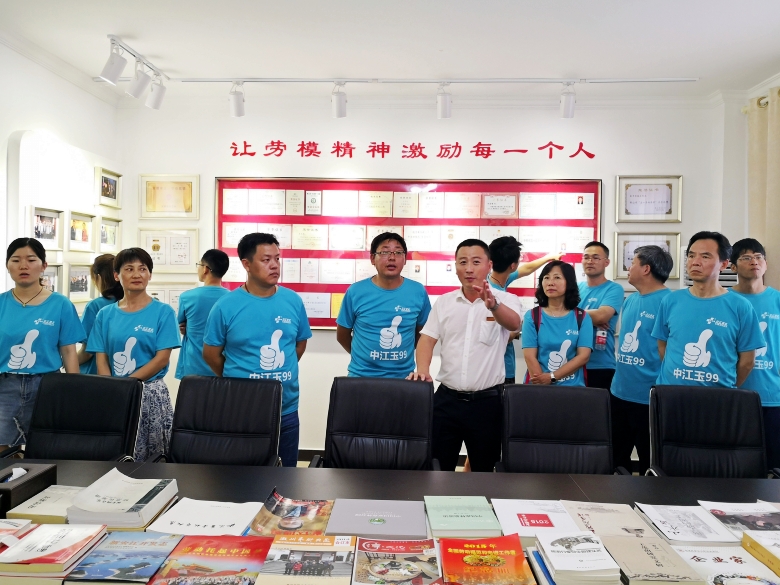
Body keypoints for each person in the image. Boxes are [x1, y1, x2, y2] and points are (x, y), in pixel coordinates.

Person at [407, 239, 521, 472]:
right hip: (447, 401)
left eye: (476, 262)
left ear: (489, 265)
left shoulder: (507, 300)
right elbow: (427, 339)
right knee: (438, 469)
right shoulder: (444, 302)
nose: (469, 269)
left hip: (487, 404)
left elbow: (514, 324)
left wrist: (494, 305)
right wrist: (423, 371)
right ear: (455, 266)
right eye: (463, 262)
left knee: (483, 471)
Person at [203, 233, 312, 467]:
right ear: (246, 264)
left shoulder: (293, 301)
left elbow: (300, 344)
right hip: (242, 409)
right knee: (243, 478)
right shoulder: (225, 306)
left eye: (277, 258)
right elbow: (211, 354)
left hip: (286, 409)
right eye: (266, 260)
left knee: (286, 477)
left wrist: (280, 367)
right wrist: (239, 378)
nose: (274, 265)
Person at [87, 248, 181, 461]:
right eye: (129, 269)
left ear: (150, 274)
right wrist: (112, 388)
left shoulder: (163, 312)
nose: (137, 274)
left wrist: (127, 385)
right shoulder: (105, 314)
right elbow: (101, 358)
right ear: (116, 275)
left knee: (153, 460)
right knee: (114, 455)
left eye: (143, 269)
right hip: (114, 394)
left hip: (150, 394)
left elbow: (161, 359)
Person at [0, 238, 85, 447]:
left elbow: (68, 351)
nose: (23, 266)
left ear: (43, 266)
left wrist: (75, 390)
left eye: (31, 260)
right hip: (5, 385)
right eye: (16, 260)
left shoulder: (60, 304)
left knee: (45, 446)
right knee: (2, 447)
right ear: (7, 266)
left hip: (47, 385)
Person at [652, 231, 764, 389]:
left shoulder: (740, 306)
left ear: (723, 264)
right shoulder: (670, 300)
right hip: (671, 393)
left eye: (705, 256)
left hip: (718, 397)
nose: (695, 262)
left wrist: (725, 389)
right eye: (691, 256)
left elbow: (747, 361)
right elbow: (662, 346)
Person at [610, 245, 674, 473]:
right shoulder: (630, 300)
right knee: (616, 460)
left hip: (648, 398)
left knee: (650, 462)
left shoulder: (669, 301)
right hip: (619, 392)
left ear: (646, 269)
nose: (628, 268)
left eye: (633, 263)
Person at [336, 232, 431, 378]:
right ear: (372, 258)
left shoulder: (418, 291)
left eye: (398, 252)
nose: (392, 257)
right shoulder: (356, 291)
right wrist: (364, 357)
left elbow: (423, 334)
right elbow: (342, 335)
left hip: (404, 377)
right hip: (362, 376)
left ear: (405, 259)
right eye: (385, 252)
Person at [729, 238, 780, 468]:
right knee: (737, 465)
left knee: (774, 467)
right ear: (733, 266)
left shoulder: (777, 300)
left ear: (766, 264)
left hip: (773, 396)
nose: (754, 261)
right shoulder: (725, 300)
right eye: (746, 257)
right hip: (734, 395)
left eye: (759, 257)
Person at [487, 236, 562, 383]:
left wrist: (548, 257)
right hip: (498, 369)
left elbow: (526, 269)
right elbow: (497, 337)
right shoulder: (492, 295)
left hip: (503, 366)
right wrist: (517, 328)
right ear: (513, 265)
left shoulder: (494, 279)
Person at [521, 261, 593, 386]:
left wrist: (552, 377)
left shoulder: (582, 317)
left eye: (557, 277)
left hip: (572, 388)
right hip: (538, 387)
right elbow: (529, 357)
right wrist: (542, 384)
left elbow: (583, 356)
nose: (550, 283)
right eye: (546, 278)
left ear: (569, 282)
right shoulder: (532, 316)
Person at [175, 249, 230, 379]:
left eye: (199, 265)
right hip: (221, 367)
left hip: (193, 368)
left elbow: (180, 324)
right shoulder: (232, 298)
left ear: (205, 269)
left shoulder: (187, 297)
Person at [578, 241, 625, 389]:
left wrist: (573, 316)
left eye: (596, 257)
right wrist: (589, 318)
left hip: (600, 365)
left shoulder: (614, 289)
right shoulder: (575, 288)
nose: (590, 261)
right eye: (586, 257)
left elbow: (601, 316)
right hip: (572, 363)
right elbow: (558, 314)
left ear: (606, 262)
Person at [78, 254, 123, 375]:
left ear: (98, 277)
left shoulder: (95, 306)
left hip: (95, 374)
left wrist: (63, 362)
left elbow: (87, 353)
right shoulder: (131, 304)